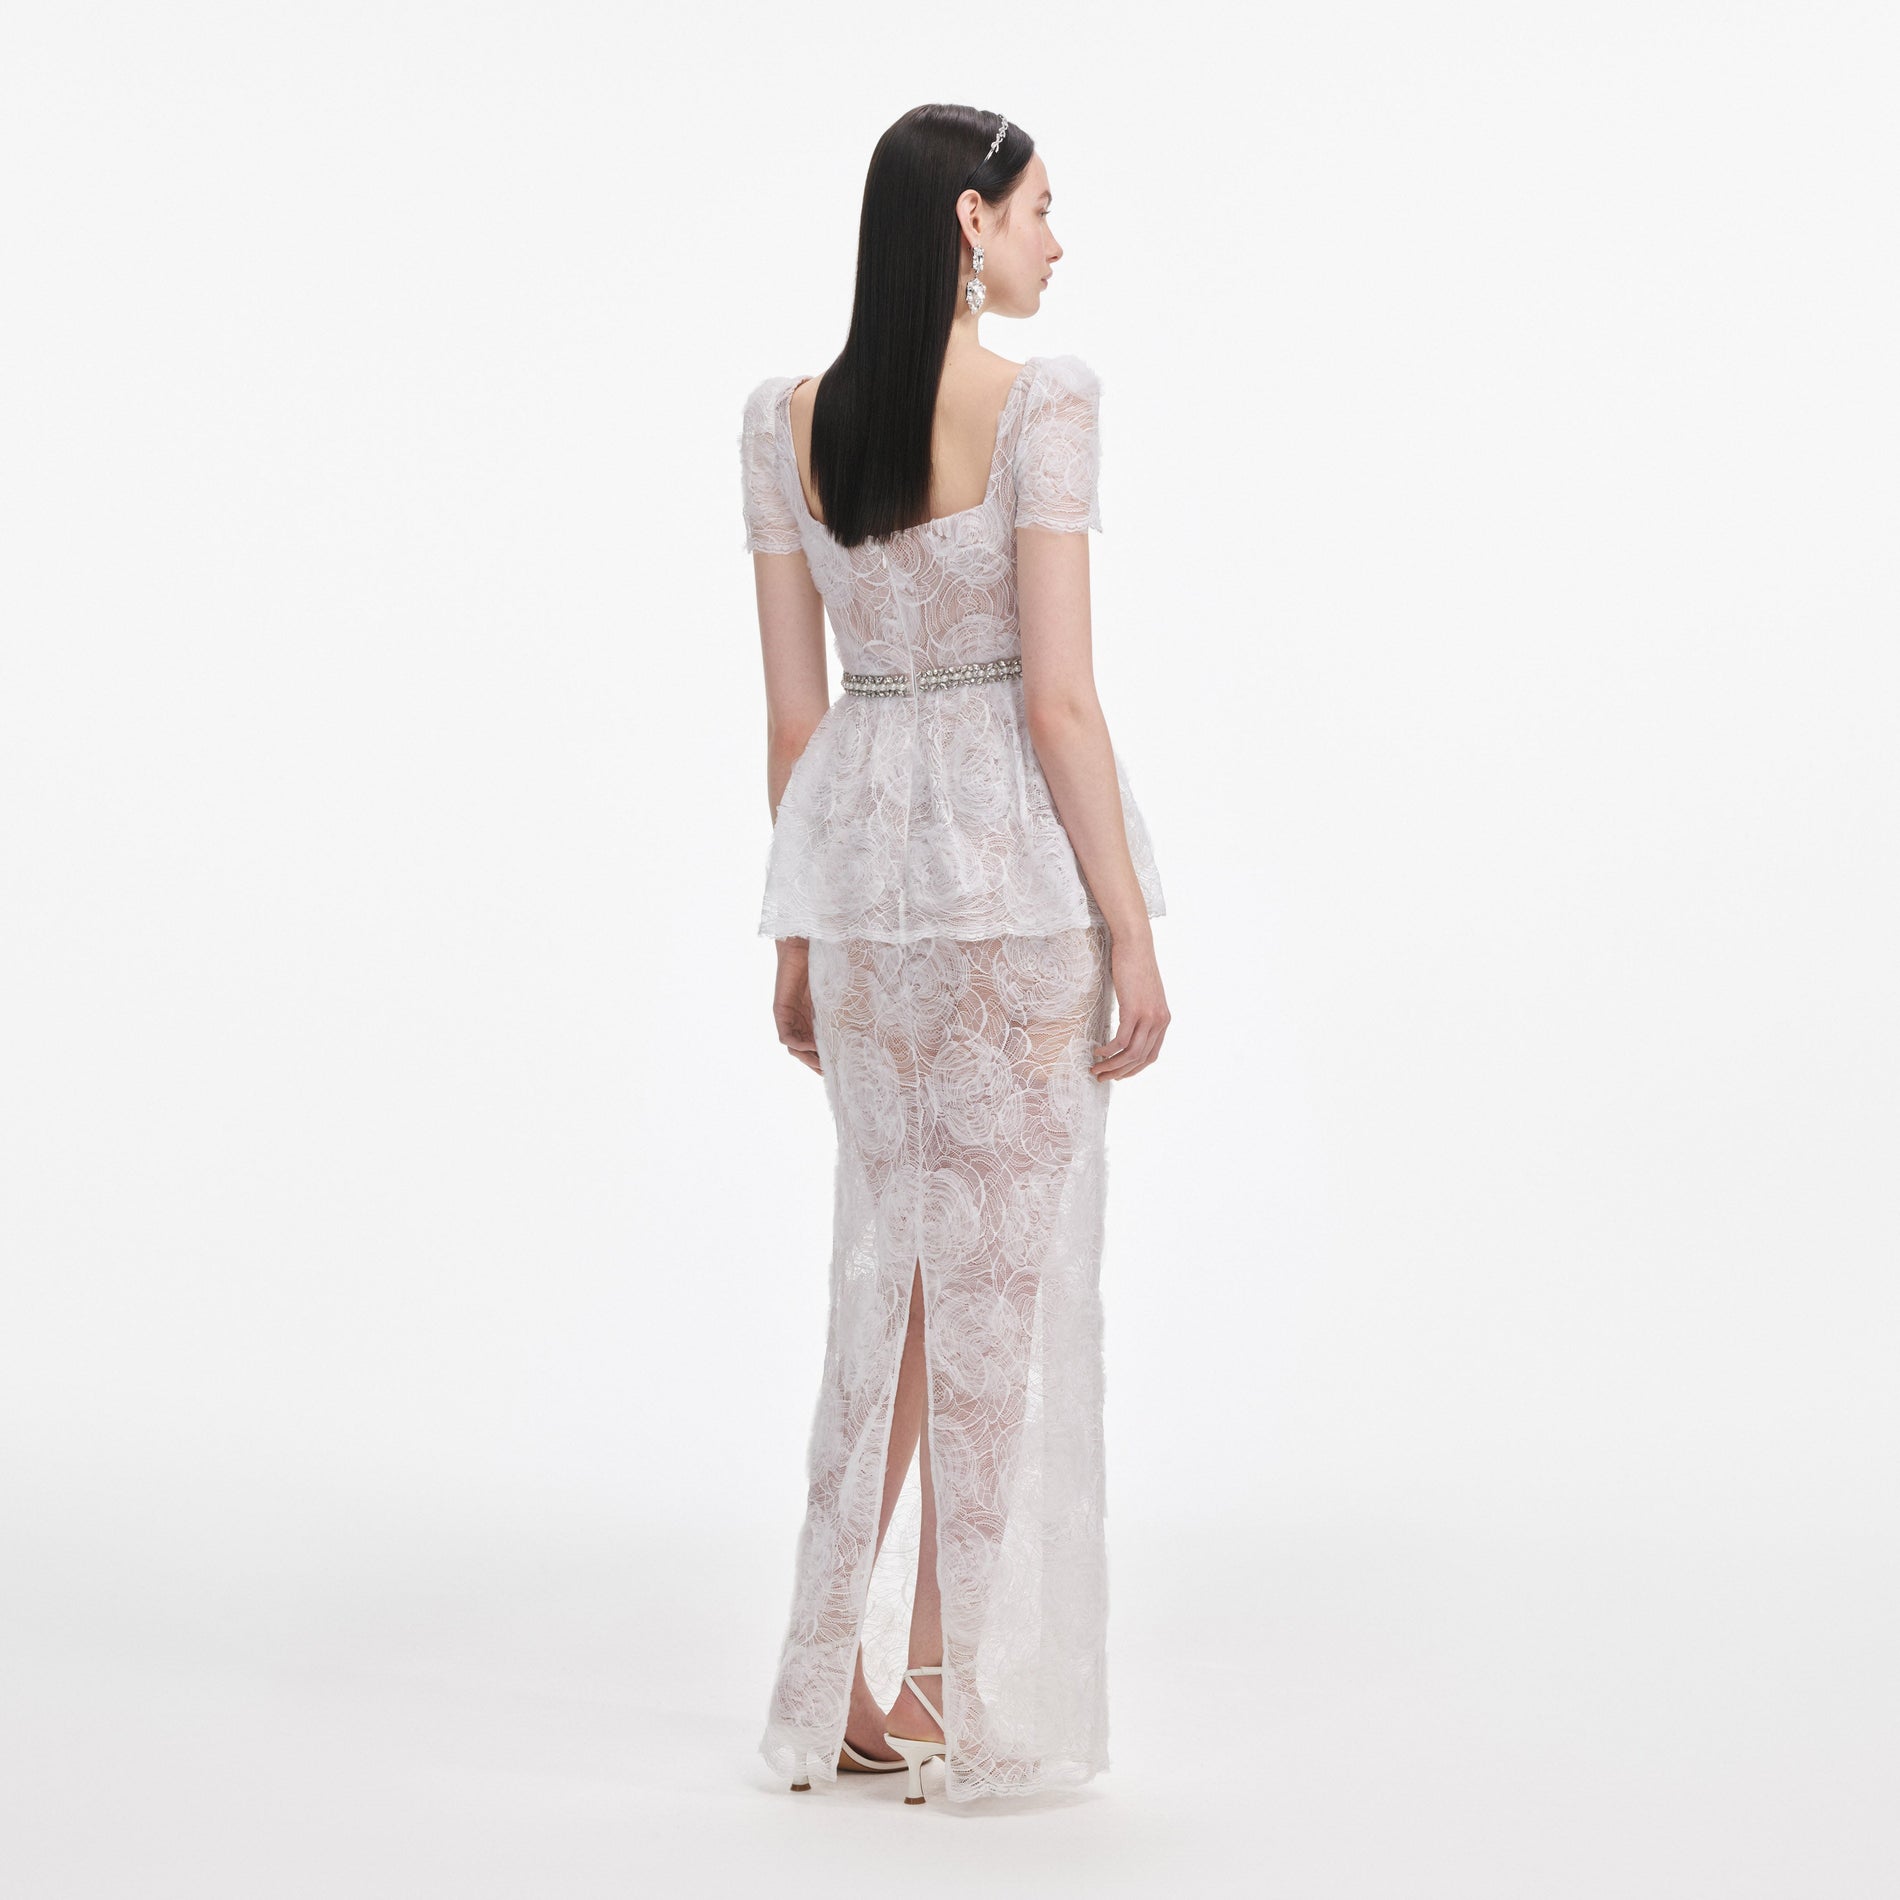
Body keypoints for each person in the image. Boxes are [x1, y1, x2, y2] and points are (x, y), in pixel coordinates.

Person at [740, 103, 1170, 1806]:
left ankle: (835, 1675)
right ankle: (957, 1682)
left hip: (862, 889)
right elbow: (1059, 701)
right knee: (993, 1282)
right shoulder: (1043, 403)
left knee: (889, 1272)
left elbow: (797, 718)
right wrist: (1132, 926)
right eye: (1042, 208)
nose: (1060, 239)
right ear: (971, 224)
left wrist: (800, 927)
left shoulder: (784, 422)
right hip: (1010, 889)